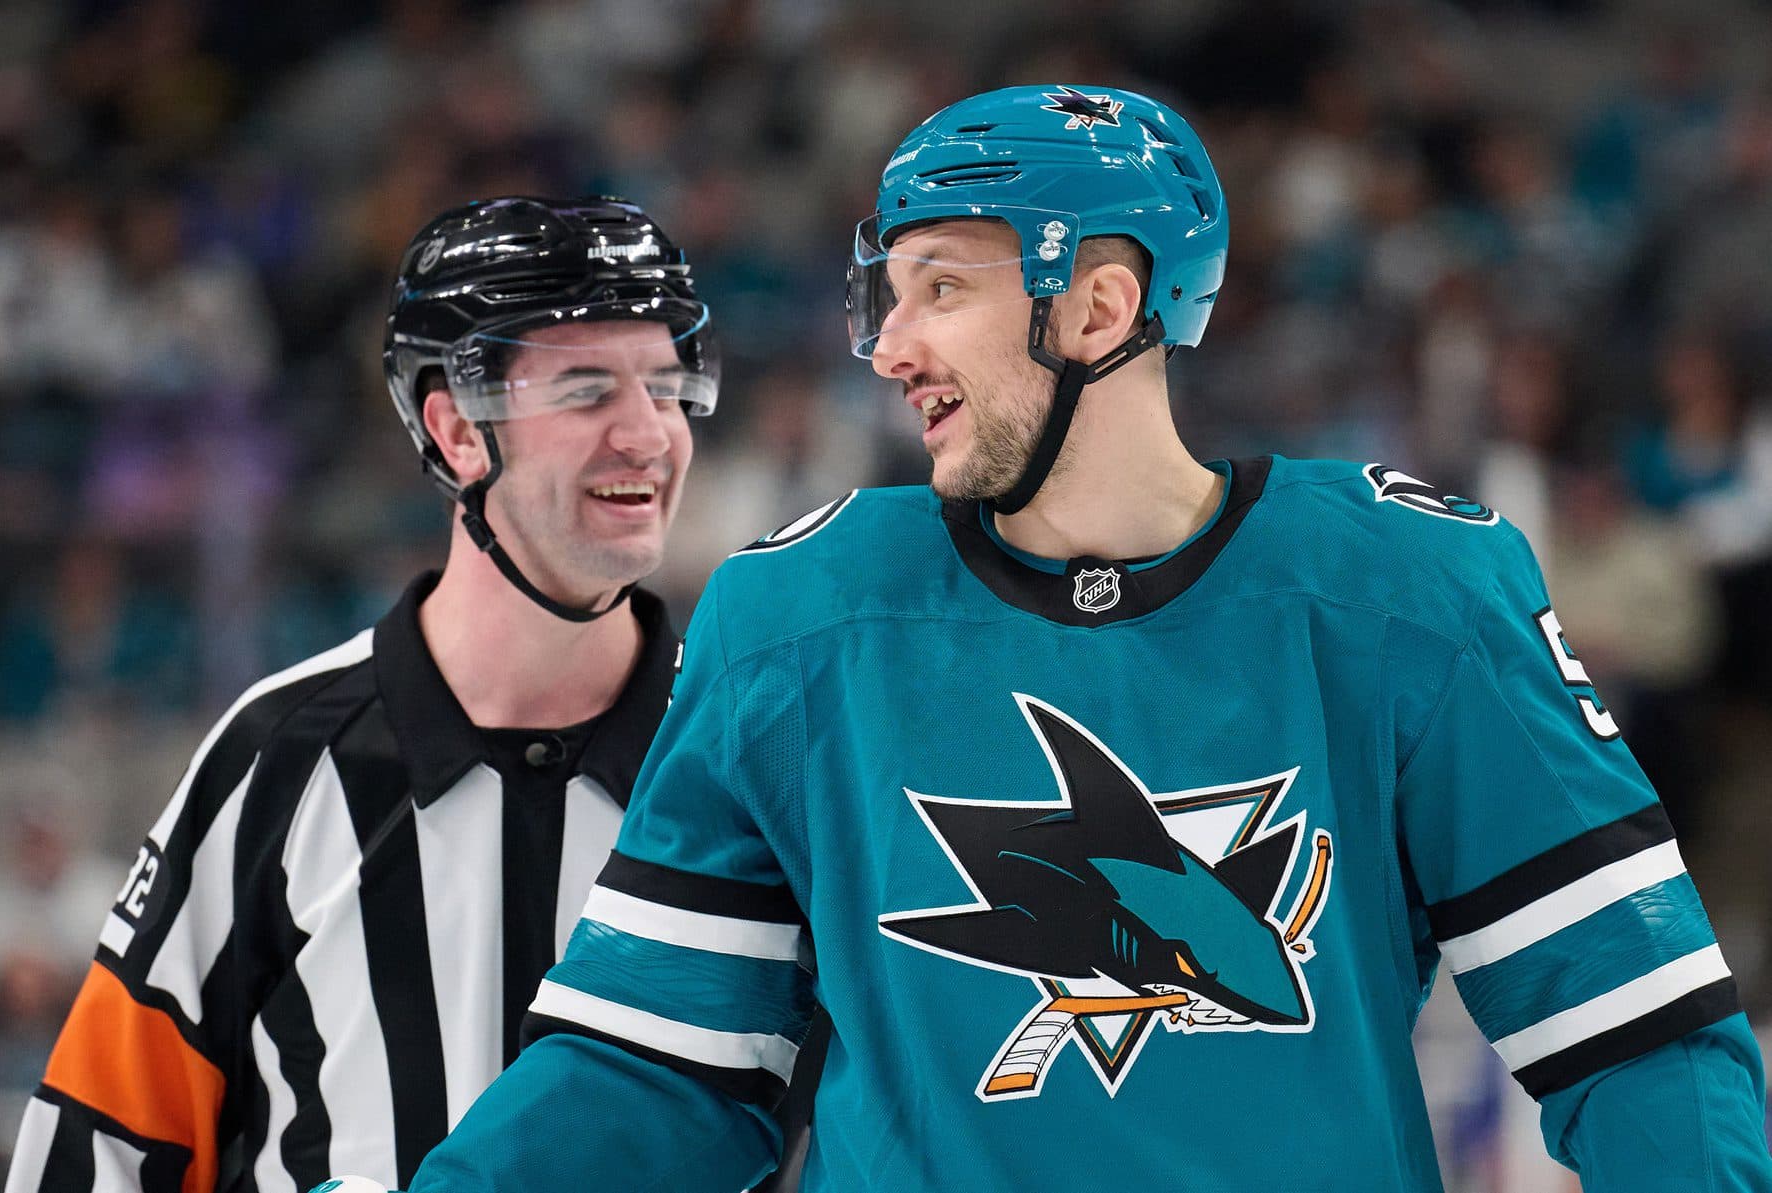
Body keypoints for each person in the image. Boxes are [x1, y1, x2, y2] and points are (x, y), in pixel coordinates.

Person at [405, 90, 1772, 1191]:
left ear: (1100, 309)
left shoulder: (1407, 598)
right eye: (887, 295)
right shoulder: (795, 623)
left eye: (938, 288)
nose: (888, 346)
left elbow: (1636, 1037)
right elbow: (662, 1066)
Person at [3, 195, 718, 1193]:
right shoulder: (277, 760)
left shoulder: (752, 755)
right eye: (587, 387)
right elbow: (100, 1149)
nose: (649, 434)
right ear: (457, 428)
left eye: (666, 383)